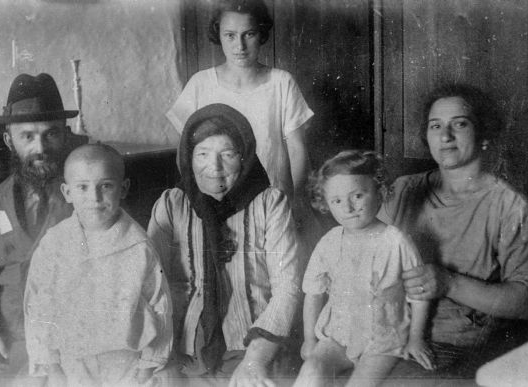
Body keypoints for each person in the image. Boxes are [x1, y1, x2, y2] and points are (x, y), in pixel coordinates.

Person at [379, 84, 528, 377]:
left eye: (460, 124)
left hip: (456, 349)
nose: (445, 136)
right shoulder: (404, 190)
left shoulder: (510, 207)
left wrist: (450, 284)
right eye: (436, 126)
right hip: (388, 332)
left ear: (483, 136)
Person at [148, 103, 302, 386]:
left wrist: (255, 360)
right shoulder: (171, 204)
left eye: (227, 155)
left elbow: (288, 287)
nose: (214, 168)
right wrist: (159, 359)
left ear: (244, 157)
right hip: (184, 348)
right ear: (188, 158)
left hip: (254, 343)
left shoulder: (270, 203)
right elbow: (152, 287)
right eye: (202, 154)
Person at [0, 73, 79, 378]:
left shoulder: (86, 197)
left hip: (71, 339)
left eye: (51, 134)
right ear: (9, 140)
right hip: (8, 339)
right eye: (28, 136)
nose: (40, 148)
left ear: (65, 134)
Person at [24, 144, 173, 386]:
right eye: (82, 187)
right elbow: (37, 308)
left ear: (123, 188)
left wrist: (147, 369)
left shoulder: (139, 246)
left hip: (127, 364)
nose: (94, 198)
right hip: (71, 364)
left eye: (106, 186)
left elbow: (160, 308)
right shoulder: (53, 245)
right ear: (67, 192)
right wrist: (51, 368)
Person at [293, 150, 434, 387]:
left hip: (382, 339)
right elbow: (313, 292)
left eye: (357, 195)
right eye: (337, 201)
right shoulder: (329, 241)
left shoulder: (396, 240)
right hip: (338, 335)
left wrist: (416, 339)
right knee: (312, 371)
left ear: (379, 192)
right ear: (326, 203)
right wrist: (309, 340)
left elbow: (419, 295)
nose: (348, 207)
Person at [165, 0, 314, 223]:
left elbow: (297, 151)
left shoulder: (281, 82)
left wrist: (294, 200)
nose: (240, 46)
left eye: (249, 34)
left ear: (261, 34)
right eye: (230, 35)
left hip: (273, 205)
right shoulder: (200, 84)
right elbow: (184, 154)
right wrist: (203, 199)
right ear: (219, 35)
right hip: (216, 205)